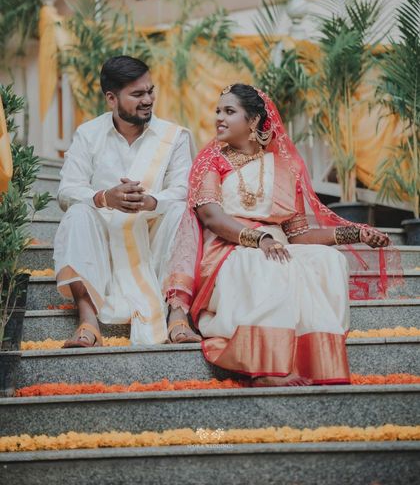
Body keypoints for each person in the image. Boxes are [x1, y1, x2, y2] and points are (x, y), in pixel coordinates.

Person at [165, 84, 393, 387]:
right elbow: (211, 217)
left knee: (326, 261)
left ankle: (317, 363)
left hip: (278, 245)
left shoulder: (286, 167)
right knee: (267, 264)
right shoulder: (211, 160)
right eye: (218, 111)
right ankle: (266, 368)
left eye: (229, 111)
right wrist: (259, 239)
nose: (219, 118)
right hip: (229, 249)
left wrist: (356, 233)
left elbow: (298, 234)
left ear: (254, 120)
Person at [54, 55, 200, 347]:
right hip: (104, 241)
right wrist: (104, 197)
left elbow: (183, 190)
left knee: (184, 211)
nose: (148, 99)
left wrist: (150, 202)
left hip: (153, 236)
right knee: (77, 214)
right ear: (111, 98)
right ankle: (88, 321)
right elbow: (67, 190)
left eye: (150, 91)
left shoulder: (174, 137)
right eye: (137, 94)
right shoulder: (88, 134)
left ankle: (177, 315)